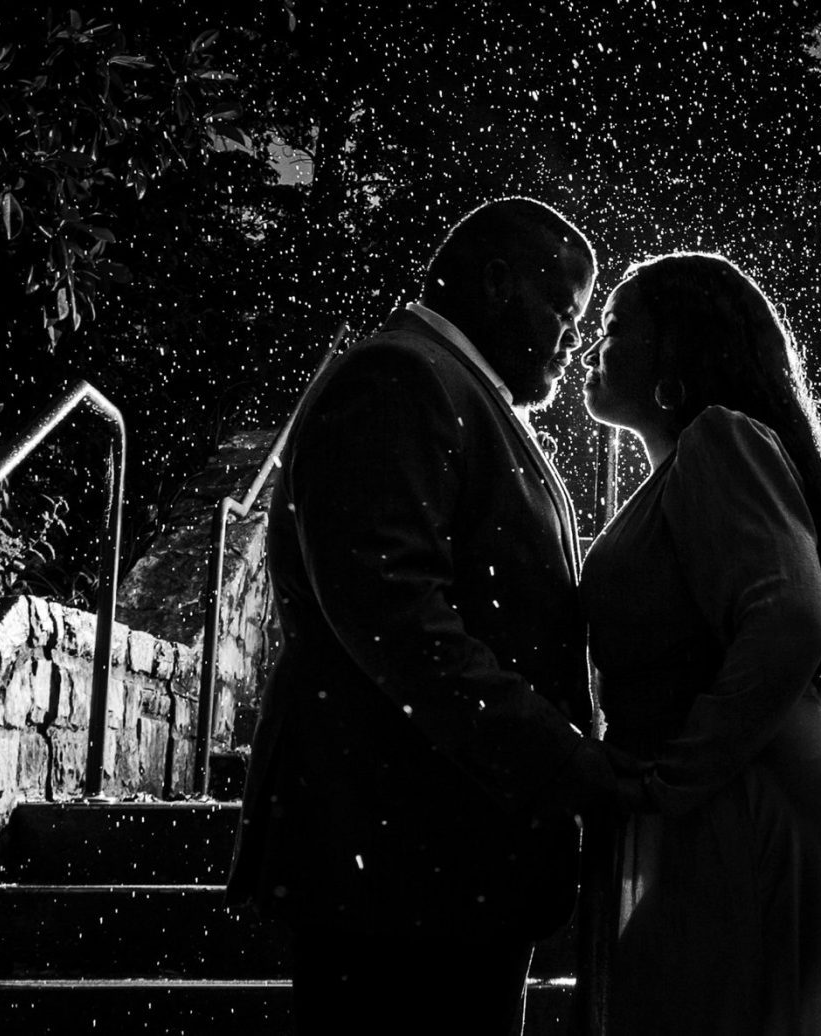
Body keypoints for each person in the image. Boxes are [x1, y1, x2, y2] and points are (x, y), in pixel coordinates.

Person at [225, 197, 627, 1033]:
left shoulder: (448, 389)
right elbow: (394, 616)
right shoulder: (400, 379)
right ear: (497, 282)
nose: (573, 337)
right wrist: (563, 761)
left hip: (438, 858)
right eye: (565, 307)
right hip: (399, 861)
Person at [576, 252, 821, 1034]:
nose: (588, 348)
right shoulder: (684, 467)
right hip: (725, 798)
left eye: (613, 327)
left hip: (756, 804)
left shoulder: (717, 441)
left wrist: (671, 778)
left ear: (674, 348)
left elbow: (792, 620)